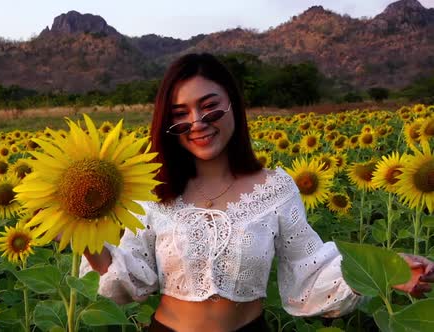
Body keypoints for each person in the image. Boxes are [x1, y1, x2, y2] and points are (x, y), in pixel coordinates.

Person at [80, 53, 434, 332]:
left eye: (209, 106)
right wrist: (77, 228)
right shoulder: (153, 192)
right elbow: (132, 276)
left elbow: (309, 268)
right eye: (181, 114)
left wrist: (391, 269)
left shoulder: (275, 188)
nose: (198, 123)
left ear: (233, 103)